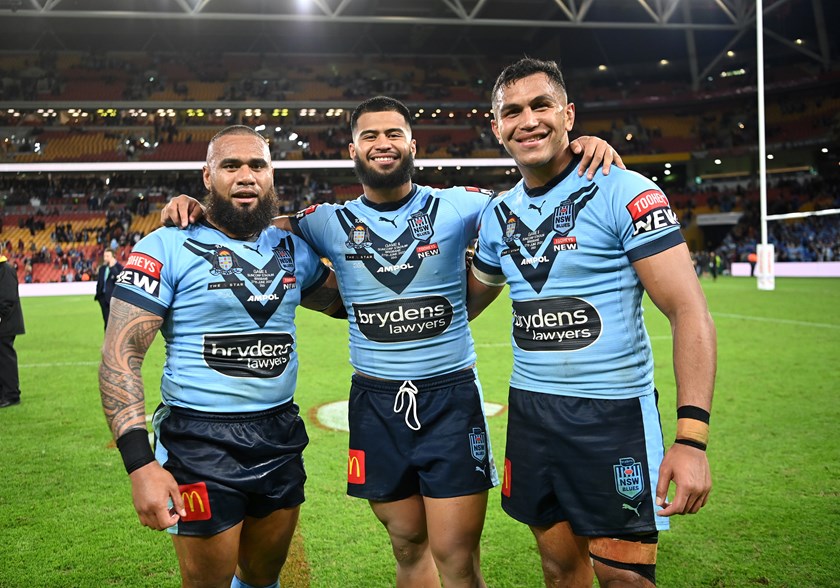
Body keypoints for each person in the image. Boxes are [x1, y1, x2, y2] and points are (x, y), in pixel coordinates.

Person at [161, 97, 623, 587]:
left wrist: (573, 153)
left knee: (456, 556)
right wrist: (197, 208)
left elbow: (532, 198)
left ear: (412, 145)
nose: (382, 144)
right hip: (376, 402)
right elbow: (248, 223)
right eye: (370, 136)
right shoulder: (325, 220)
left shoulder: (462, 205)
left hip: (449, 397)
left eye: (393, 134)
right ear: (353, 150)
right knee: (406, 546)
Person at [468, 57, 715, 587]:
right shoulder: (496, 216)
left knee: (624, 577)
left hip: (614, 415)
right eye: (512, 111)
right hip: (532, 413)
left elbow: (688, 310)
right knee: (560, 569)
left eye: (541, 105)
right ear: (496, 127)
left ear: (569, 114)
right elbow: (466, 303)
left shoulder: (625, 191)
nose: (527, 120)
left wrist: (692, 440)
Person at [99, 125, 344, 588]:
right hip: (199, 442)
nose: (246, 175)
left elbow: (348, 305)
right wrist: (140, 464)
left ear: (272, 176)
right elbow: (121, 354)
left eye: (258, 165)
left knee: (263, 577)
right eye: (231, 165)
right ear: (207, 176)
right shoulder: (165, 246)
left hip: (279, 432)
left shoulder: (292, 249)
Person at [0, 254, 24, 408]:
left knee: (6, 359)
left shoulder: (5, 269)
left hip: (5, 323)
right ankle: (4, 393)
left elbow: (7, 298)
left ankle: (11, 394)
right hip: (4, 322)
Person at [94, 247, 123, 328]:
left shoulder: (119, 267)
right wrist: (99, 295)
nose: (105, 258)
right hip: (103, 298)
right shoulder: (102, 268)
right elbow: (100, 282)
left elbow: (119, 278)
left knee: (115, 322)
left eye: (107, 256)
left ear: (113, 257)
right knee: (106, 321)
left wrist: (112, 267)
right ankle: (107, 336)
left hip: (114, 298)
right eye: (104, 256)